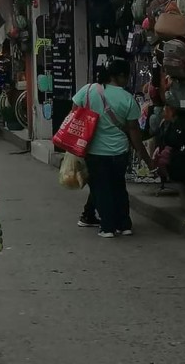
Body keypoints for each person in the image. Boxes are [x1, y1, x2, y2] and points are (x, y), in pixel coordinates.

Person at [71, 59, 152, 238]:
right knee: (118, 187)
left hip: (94, 150)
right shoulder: (127, 98)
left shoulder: (88, 90)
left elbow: (74, 115)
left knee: (101, 189)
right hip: (119, 152)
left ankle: (107, 227)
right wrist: (144, 155)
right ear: (121, 76)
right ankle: (124, 224)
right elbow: (133, 130)